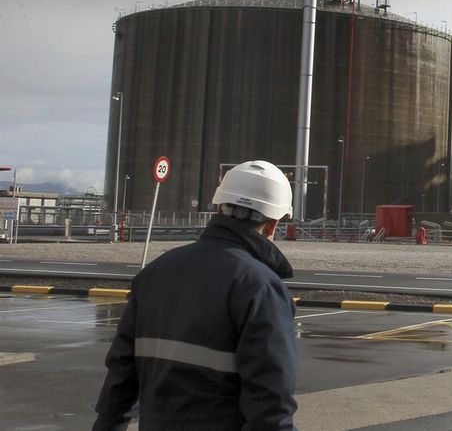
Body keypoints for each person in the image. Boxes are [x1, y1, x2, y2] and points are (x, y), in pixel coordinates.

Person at [93, 160, 299, 430]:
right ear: (273, 224)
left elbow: (121, 375)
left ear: (219, 208)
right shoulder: (261, 288)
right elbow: (271, 403)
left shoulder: (156, 272)